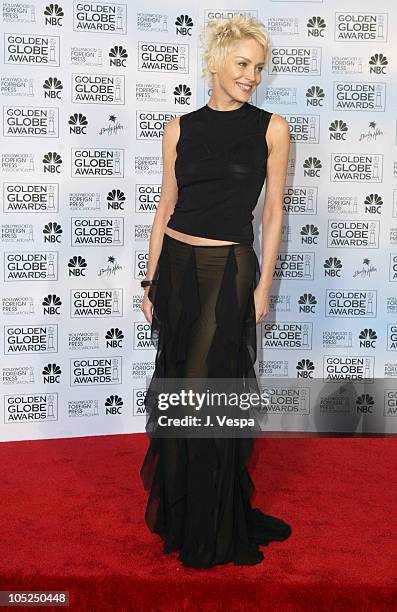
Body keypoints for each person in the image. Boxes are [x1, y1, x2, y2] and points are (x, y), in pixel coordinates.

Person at [139, 15, 292, 568]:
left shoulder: (271, 128)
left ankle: (211, 527)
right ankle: (184, 517)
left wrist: (264, 282)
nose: (251, 75)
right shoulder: (178, 127)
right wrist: (150, 278)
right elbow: (164, 207)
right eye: (242, 64)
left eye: (258, 66)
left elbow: (273, 212)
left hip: (227, 269)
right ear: (213, 62)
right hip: (176, 266)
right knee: (179, 390)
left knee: (207, 397)